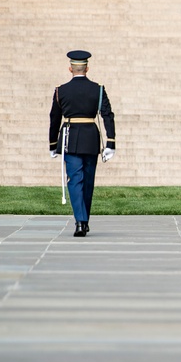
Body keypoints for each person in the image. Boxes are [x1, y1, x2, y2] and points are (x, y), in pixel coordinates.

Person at [49, 50, 116, 237]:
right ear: (87, 68)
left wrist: (52, 144)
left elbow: (54, 118)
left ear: (70, 68)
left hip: (70, 138)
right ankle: (83, 220)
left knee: (75, 180)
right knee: (87, 181)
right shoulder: (98, 89)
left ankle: (80, 221)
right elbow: (107, 116)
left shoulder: (60, 90)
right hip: (90, 138)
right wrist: (110, 143)